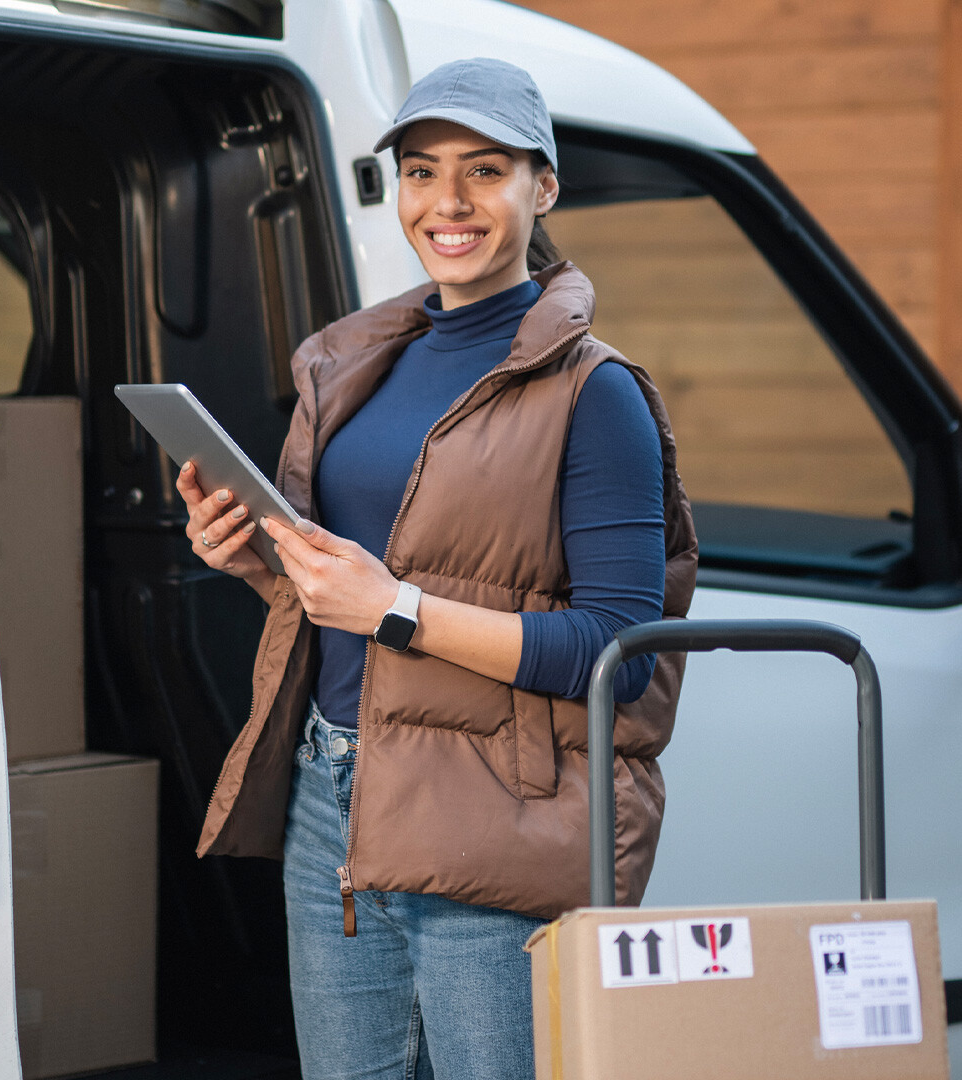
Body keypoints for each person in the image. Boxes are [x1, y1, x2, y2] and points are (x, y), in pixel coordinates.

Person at [176, 57, 696, 1080]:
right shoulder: (357, 359)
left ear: (542, 187)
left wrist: (398, 611)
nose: (446, 202)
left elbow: (618, 654)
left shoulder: (596, 396)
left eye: (484, 169)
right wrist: (258, 562)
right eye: (421, 171)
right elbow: (350, 589)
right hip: (334, 797)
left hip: (492, 817)